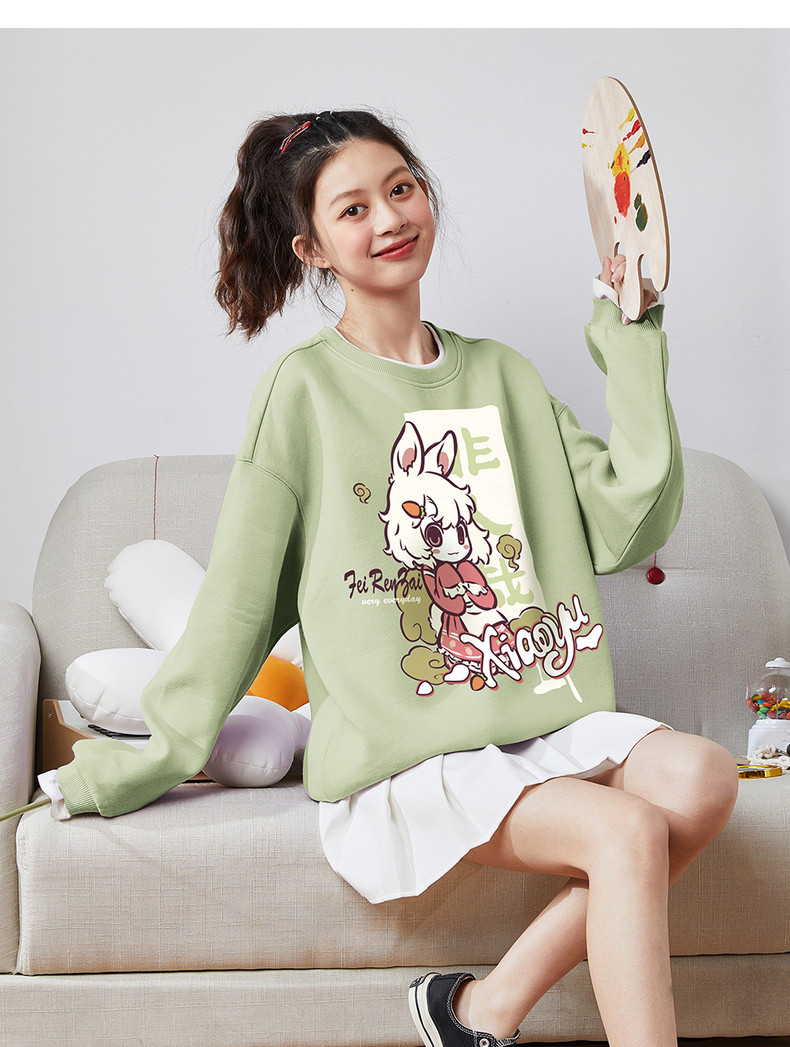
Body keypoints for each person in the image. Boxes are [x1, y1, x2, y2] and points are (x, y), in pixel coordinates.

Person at [44, 110, 738, 1047]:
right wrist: (144, 759)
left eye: (401, 188)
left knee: (702, 776)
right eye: (353, 208)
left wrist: (632, 333)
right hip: (407, 754)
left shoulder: (504, 375)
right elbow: (237, 605)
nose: (389, 218)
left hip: (530, 717)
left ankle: (481, 1009)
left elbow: (628, 520)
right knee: (626, 831)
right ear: (312, 248)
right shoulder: (302, 391)